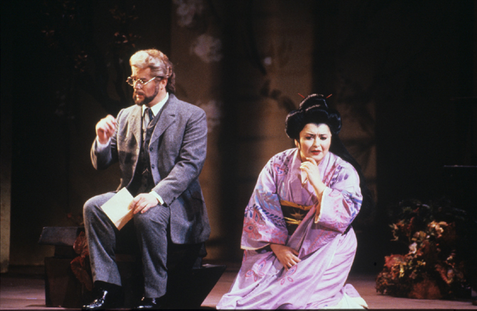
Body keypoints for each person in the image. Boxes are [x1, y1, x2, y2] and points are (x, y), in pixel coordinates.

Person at [82, 49, 210, 310]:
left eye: (142, 80)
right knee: (94, 207)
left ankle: (154, 295)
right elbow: (102, 163)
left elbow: (189, 166)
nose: (136, 86)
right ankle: (109, 287)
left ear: (162, 82)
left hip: (172, 203)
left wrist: (156, 196)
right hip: (132, 196)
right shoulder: (126, 115)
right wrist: (103, 140)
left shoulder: (191, 116)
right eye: (133, 80)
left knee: (147, 214)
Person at [217, 94, 370, 309]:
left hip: (327, 245)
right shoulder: (277, 165)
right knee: (254, 300)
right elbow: (261, 207)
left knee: (299, 303)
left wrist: (319, 186)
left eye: (323, 137)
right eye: (309, 137)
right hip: (282, 241)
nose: (317, 144)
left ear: (331, 138)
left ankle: (343, 300)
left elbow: (345, 215)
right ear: (297, 139)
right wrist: (278, 247)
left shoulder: (344, 170)